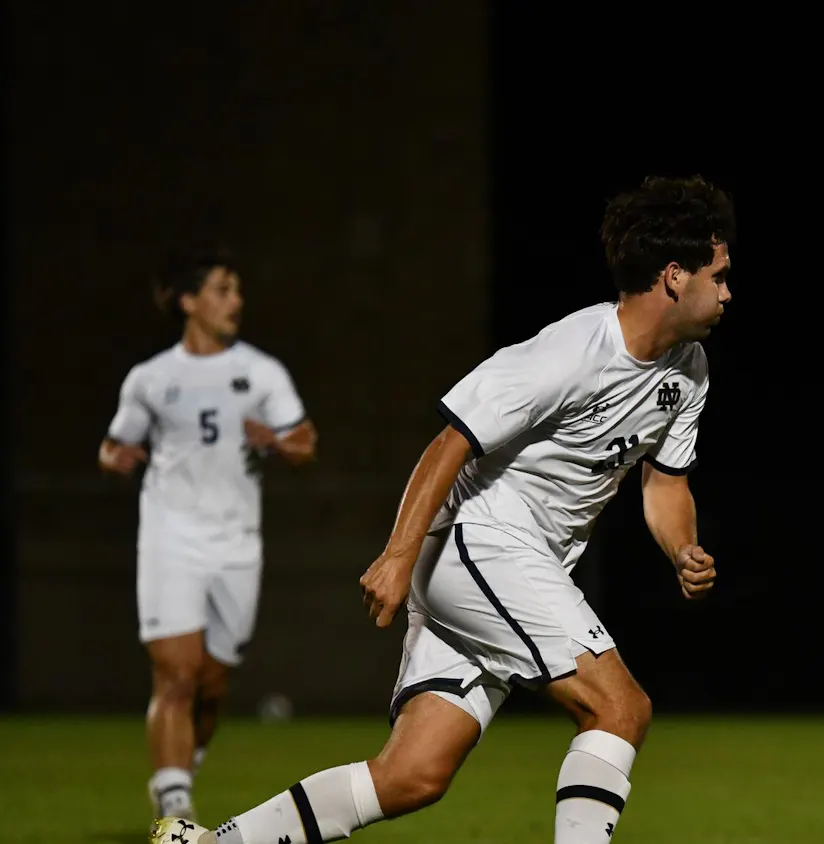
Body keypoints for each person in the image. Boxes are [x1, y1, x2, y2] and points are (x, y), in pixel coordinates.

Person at [152, 174, 735, 844]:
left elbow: (664, 486)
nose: (727, 292)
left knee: (411, 776)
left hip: (507, 566)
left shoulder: (689, 369)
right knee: (620, 708)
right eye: (718, 276)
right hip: (482, 543)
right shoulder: (572, 351)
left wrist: (681, 548)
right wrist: (397, 556)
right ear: (673, 276)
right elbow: (451, 441)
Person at [100, 244, 318, 822]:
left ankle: (180, 769)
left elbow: (305, 441)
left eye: (237, 289)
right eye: (223, 289)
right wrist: (115, 458)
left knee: (212, 686)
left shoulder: (262, 371)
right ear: (188, 301)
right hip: (170, 538)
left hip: (238, 543)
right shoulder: (151, 378)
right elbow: (114, 444)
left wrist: (277, 442)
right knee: (176, 674)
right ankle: (174, 813)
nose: (236, 300)